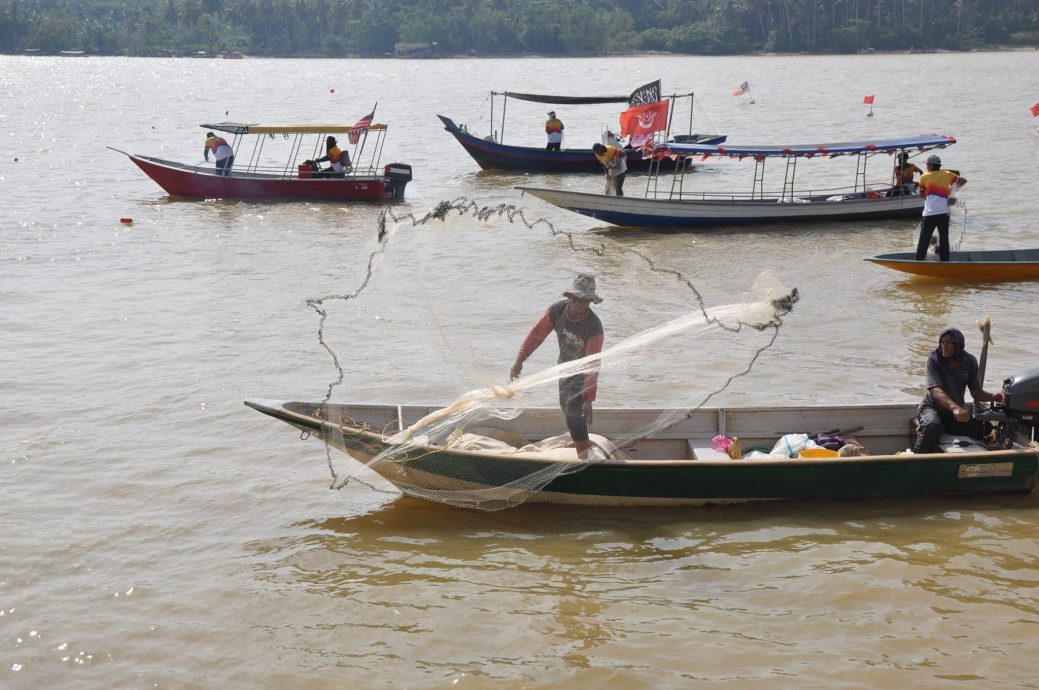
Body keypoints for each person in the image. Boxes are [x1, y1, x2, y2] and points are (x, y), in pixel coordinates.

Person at [510, 274, 604, 460]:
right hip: (563, 368)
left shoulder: (594, 327)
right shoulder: (557, 311)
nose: (580, 304)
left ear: (590, 302)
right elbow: (537, 335)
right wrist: (519, 360)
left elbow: (593, 364)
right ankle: (579, 440)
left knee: (573, 411)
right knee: (564, 406)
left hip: (582, 372)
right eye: (577, 299)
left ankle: (585, 457)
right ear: (570, 297)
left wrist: (589, 398)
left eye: (585, 301)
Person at [913, 326, 1006, 454]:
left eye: (949, 342)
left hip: (953, 415)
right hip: (932, 407)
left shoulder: (969, 361)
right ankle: (917, 460)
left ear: (958, 344)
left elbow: (976, 393)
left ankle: (940, 428)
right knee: (933, 425)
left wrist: (994, 396)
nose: (944, 346)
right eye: (942, 342)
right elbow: (935, 391)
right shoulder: (934, 360)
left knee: (985, 428)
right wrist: (956, 408)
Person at [915, 154, 966, 261]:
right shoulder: (947, 174)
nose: (927, 166)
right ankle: (945, 261)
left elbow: (921, 195)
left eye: (928, 164)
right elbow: (963, 180)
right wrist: (952, 190)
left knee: (924, 239)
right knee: (944, 239)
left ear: (931, 166)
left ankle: (919, 260)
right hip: (944, 213)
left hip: (929, 213)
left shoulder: (924, 176)